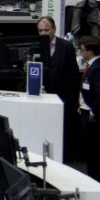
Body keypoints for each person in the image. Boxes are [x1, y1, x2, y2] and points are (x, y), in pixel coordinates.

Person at [37, 16, 81, 160]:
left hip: (63, 96)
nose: (43, 33)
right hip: (43, 96)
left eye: (46, 30)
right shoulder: (35, 46)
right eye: (40, 30)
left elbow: (74, 74)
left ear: (54, 30)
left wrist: (70, 98)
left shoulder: (66, 46)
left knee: (63, 130)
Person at [77, 35, 100, 184]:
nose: (80, 52)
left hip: (93, 118)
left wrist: (93, 111)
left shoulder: (97, 68)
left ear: (89, 52)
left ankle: (95, 182)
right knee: (92, 152)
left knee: (93, 153)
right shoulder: (98, 63)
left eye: (82, 50)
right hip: (86, 111)